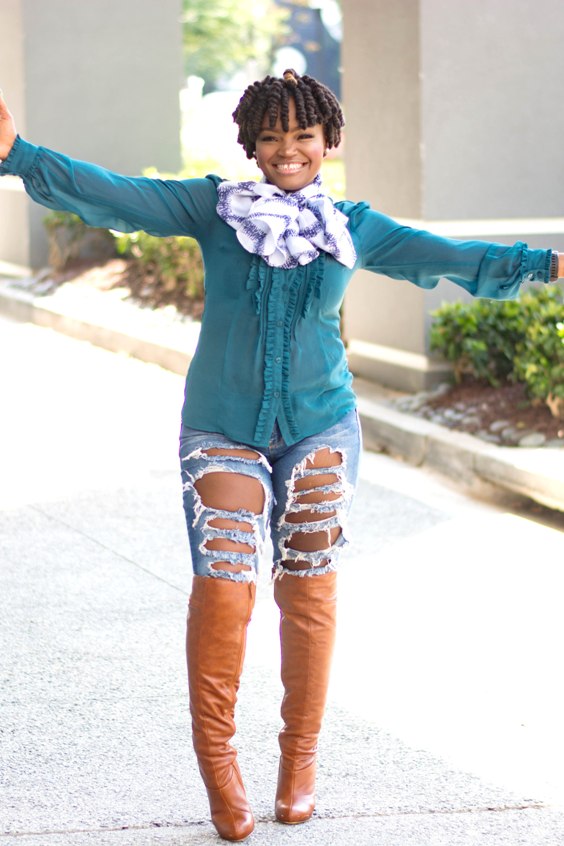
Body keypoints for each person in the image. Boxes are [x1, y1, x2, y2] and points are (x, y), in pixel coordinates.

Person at [0, 70, 562, 842]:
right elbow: (118, 192)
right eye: (271, 137)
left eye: (303, 135)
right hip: (223, 425)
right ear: (252, 146)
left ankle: (299, 761)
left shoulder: (356, 225)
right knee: (227, 589)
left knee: (308, 591)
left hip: (320, 425)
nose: (287, 150)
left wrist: (545, 266)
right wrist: (20, 155)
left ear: (329, 141)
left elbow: (447, 255)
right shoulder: (213, 208)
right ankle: (219, 764)